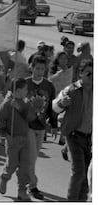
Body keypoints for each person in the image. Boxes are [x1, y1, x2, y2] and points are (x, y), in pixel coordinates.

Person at [52, 59, 93, 201]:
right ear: (81, 73)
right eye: (89, 73)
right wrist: (61, 103)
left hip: (91, 138)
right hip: (74, 136)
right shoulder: (72, 90)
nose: (92, 76)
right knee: (79, 172)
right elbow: (55, 107)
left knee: (88, 174)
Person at [0, 78, 40, 201]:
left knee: (25, 166)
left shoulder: (26, 103)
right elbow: (1, 121)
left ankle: (22, 191)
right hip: (12, 139)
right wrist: (4, 134)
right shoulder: (7, 104)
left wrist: (35, 111)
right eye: (25, 89)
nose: (27, 91)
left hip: (25, 138)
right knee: (12, 164)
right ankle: (4, 177)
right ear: (19, 90)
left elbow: (30, 118)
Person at [25, 55, 56, 200]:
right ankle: (32, 186)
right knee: (31, 157)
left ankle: (21, 177)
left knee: (33, 158)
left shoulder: (49, 86)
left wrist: (54, 124)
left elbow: (51, 107)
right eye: (37, 68)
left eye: (42, 69)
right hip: (27, 126)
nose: (40, 71)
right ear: (31, 67)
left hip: (41, 126)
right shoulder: (24, 84)